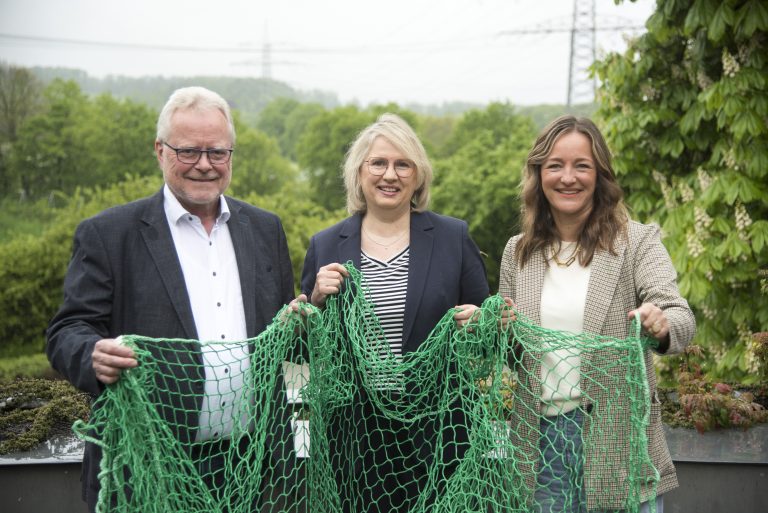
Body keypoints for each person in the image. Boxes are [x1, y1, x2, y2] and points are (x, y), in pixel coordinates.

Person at [46, 86, 296, 512]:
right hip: (144, 469)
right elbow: (66, 330)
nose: (204, 165)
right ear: (160, 151)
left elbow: (290, 347)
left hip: (247, 468)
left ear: (231, 155)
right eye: (188, 151)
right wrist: (92, 354)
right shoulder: (108, 234)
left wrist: (301, 440)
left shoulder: (265, 230)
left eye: (217, 152)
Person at [293, 113, 491, 513]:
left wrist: (480, 322)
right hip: (352, 439)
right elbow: (301, 353)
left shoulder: (453, 237)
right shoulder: (327, 244)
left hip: (438, 438)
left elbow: (486, 336)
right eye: (378, 163)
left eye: (403, 164)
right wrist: (313, 300)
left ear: (418, 177)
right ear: (359, 173)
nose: (390, 174)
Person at [499, 115, 695, 513]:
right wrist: (498, 330)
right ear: (539, 175)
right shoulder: (518, 251)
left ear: (599, 174)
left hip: (618, 441)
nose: (567, 177)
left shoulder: (637, 242)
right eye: (555, 165)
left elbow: (681, 318)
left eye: (581, 165)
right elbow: (513, 357)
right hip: (538, 448)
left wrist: (660, 325)